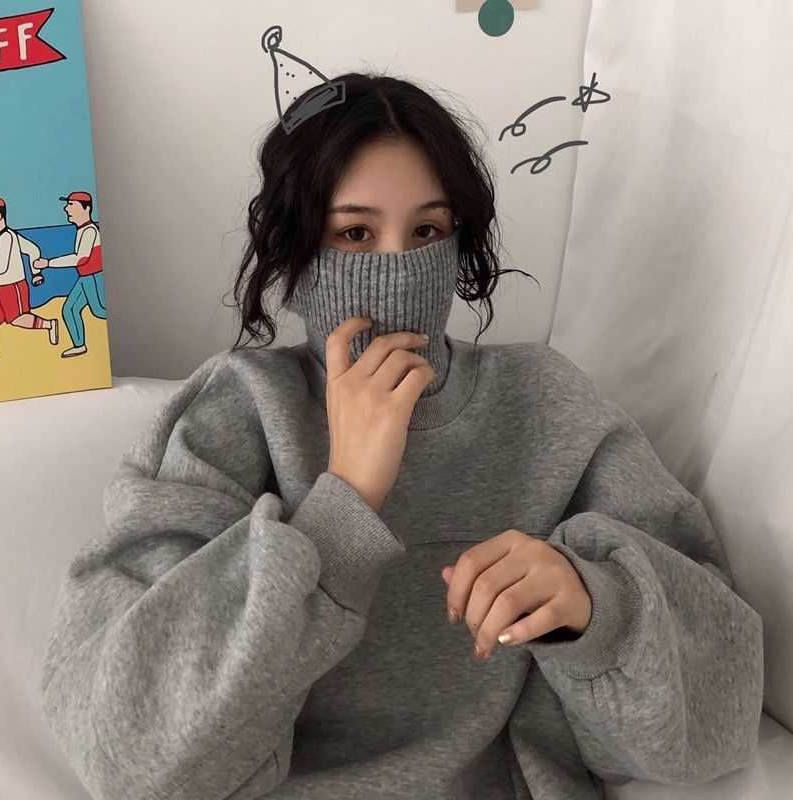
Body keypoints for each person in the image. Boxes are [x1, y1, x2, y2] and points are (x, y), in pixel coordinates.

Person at [39, 72, 764, 800]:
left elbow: (722, 708)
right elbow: (126, 752)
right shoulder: (233, 410)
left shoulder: (546, 403)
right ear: (296, 246)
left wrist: (596, 612)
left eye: (427, 232)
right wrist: (343, 504)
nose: (397, 265)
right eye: (355, 233)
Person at [33, 190, 105, 358]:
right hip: (85, 277)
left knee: (100, 311)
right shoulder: (82, 230)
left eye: (71, 205)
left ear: (86, 209)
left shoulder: (89, 231)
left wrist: (48, 263)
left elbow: (80, 259)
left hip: (93, 277)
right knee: (70, 309)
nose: (66, 209)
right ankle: (79, 345)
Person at [0, 196, 58, 362]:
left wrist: (36, 273)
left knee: (17, 319)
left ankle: (49, 324)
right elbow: (32, 249)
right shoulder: (0, 237)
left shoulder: (7, 237)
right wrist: (35, 273)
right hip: (1, 287)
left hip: (13, 287)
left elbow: (0, 268)